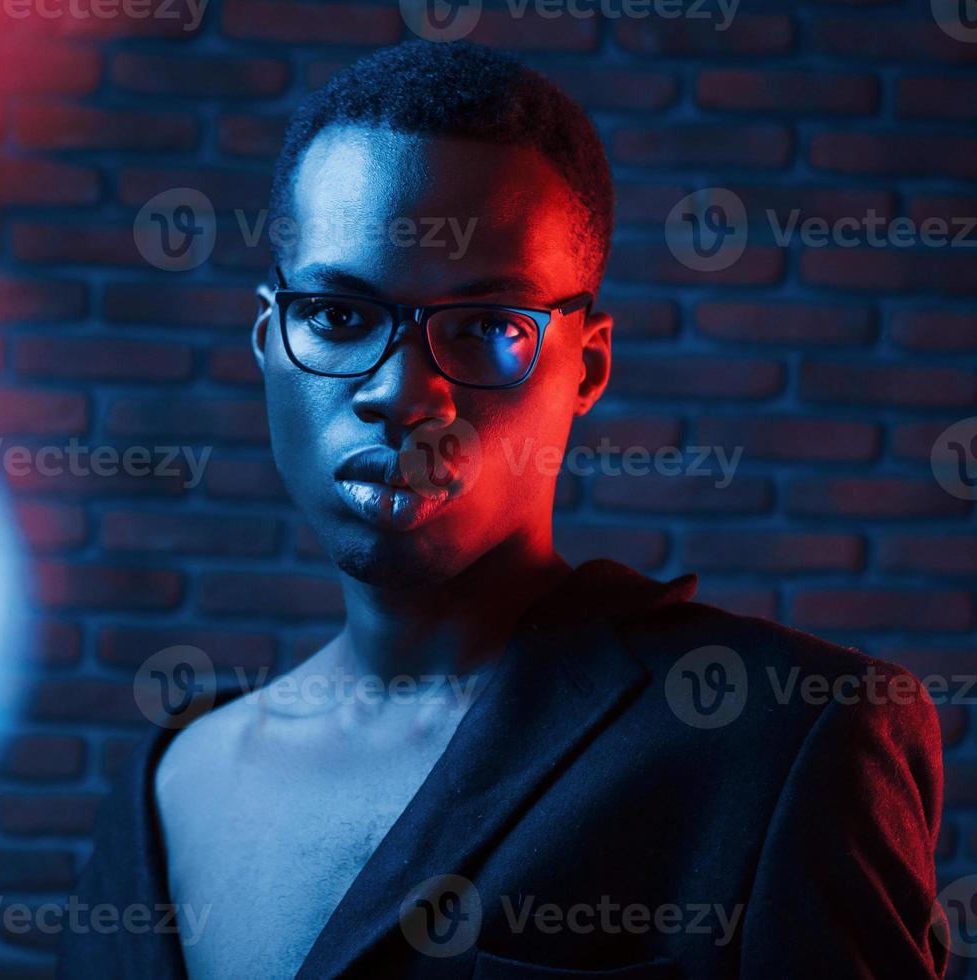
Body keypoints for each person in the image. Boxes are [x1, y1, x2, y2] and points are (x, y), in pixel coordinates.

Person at [59, 40, 945, 978]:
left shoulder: (780, 744)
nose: (402, 393)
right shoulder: (168, 788)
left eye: (488, 327)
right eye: (337, 315)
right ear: (269, 341)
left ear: (587, 369)